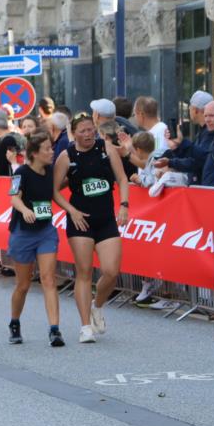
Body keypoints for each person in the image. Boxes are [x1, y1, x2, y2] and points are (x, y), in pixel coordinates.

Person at [52, 113, 130, 344]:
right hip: (80, 220)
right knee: (84, 272)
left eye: (90, 130)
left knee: (111, 271)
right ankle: (85, 326)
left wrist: (124, 205)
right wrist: (71, 210)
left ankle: (97, 306)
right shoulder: (67, 156)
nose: (88, 135)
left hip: (105, 218)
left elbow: (122, 178)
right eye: (83, 131)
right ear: (74, 133)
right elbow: (55, 190)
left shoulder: (106, 148)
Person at [8, 131, 64, 347]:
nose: (52, 152)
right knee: (23, 285)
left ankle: (54, 329)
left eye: (52, 147)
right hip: (23, 232)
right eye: (48, 149)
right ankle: (14, 322)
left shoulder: (51, 171)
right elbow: (14, 197)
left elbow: (60, 186)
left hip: (45, 231)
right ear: (34, 153)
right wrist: (24, 210)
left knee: (49, 279)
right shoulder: (20, 172)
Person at [157, 90, 213, 184]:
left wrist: (180, 144)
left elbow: (198, 161)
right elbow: (192, 157)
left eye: (190, 108)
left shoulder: (209, 133)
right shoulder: (202, 132)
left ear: (195, 110)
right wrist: (176, 147)